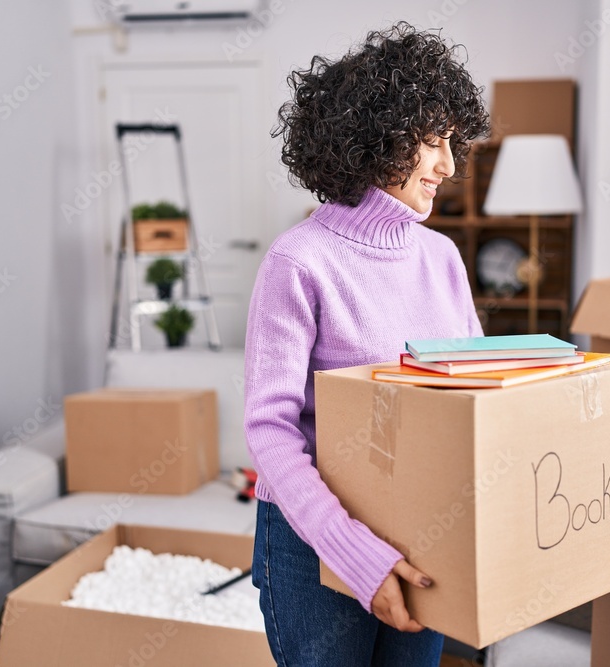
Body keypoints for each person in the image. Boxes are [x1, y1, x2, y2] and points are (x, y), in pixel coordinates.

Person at [244, 22, 489, 666]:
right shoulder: (299, 260)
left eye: (452, 144)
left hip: (420, 531)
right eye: (432, 143)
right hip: (310, 538)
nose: (449, 166)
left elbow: (476, 397)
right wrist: (352, 552)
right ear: (375, 138)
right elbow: (269, 432)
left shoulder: (442, 258)